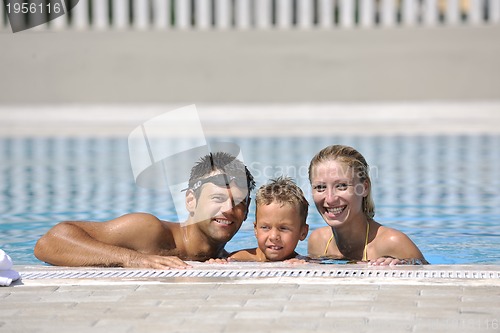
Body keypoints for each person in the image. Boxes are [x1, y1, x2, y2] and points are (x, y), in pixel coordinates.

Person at [34, 152, 256, 269]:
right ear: (191, 201)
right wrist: (132, 259)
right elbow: (49, 243)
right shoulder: (149, 230)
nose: (228, 209)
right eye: (217, 198)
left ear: (246, 213)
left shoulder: (222, 257)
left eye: (238, 202)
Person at [307, 145, 428, 265]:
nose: (330, 199)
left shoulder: (393, 243)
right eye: (320, 187)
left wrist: (403, 265)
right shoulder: (318, 241)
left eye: (342, 186)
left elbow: (427, 276)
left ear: (364, 188)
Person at [229, 176, 309, 262]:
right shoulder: (237, 258)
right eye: (265, 227)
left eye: (283, 228)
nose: (273, 237)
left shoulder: (304, 262)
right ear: (255, 229)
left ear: (303, 232)